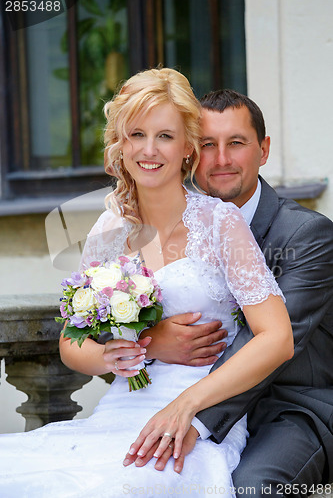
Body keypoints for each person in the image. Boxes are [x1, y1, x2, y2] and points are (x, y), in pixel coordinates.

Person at [0, 68, 293, 497]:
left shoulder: (219, 223)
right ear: (121, 143)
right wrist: (117, 355)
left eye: (165, 136)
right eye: (137, 134)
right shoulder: (107, 231)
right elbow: (72, 343)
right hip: (119, 410)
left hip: (199, 418)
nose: (149, 150)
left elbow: (278, 338)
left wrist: (187, 407)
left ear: (188, 147)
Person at [124, 89, 333, 497]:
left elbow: (268, 341)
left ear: (263, 149)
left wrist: (191, 415)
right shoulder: (171, 226)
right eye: (207, 145)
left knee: (250, 489)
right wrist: (152, 342)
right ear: (188, 151)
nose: (220, 160)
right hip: (185, 395)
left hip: (287, 407)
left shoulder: (308, 235)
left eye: (235, 143)